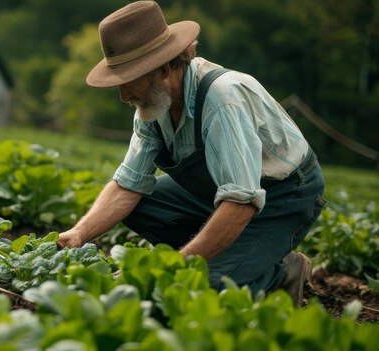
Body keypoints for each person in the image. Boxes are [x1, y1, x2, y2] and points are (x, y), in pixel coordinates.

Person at [57, 0, 326, 306]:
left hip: (281, 196)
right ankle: (244, 256)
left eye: (129, 81)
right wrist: (79, 233)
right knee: (140, 205)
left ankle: (281, 273)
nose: (123, 96)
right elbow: (128, 183)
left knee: (204, 290)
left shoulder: (222, 101)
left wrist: (179, 262)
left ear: (162, 69)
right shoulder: (152, 105)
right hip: (222, 192)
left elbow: (240, 202)